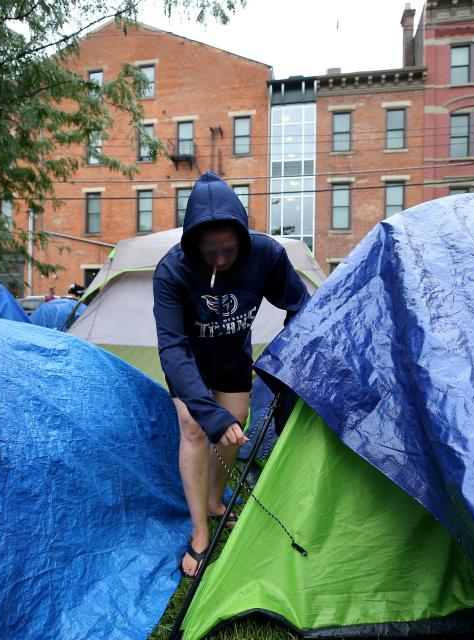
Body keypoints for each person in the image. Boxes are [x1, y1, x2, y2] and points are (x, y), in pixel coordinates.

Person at [153, 171, 309, 577]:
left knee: (236, 423)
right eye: (209, 252)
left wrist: (284, 359)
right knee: (194, 428)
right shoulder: (171, 272)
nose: (221, 260)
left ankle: (215, 501)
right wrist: (207, 413)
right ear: (192, 244)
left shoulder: (266, 255)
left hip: (232, 357)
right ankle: (200, 532)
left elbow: (300, 307)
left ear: (242, 235)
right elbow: (171, 347)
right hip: (188, 360)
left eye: (228, 250)